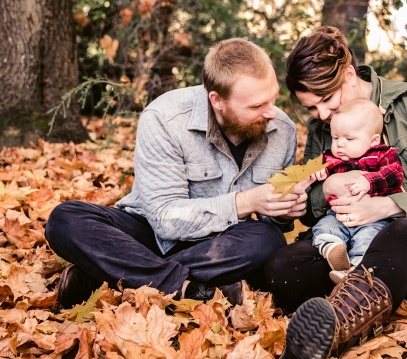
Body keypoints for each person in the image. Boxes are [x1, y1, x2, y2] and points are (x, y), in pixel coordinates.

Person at [267, 26, 407, 359]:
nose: (322, 115)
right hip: (353, 243)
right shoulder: (326, 124)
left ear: (350, 75)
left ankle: (331, 330)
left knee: (399, 234)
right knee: (282, 267)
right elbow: (310, 206)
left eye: (327, 101)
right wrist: (326, 188)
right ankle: (375, 291)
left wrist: (387, 205)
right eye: (312, 107)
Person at [46, 38, 308, 308]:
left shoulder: (283, 130)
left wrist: (282, 212)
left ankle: (111, 276)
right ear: (217, 101)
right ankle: (192, 291)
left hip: (218, 246)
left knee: (267, 240)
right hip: (148, 233)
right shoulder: (164, 117)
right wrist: (246, 201)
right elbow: (163, 219)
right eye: (256, 106)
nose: (272, 112)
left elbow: (271, 223)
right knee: (65, 219)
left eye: (273, 98)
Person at [308, 98, 403, 283]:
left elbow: (395, 174)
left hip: (374, 218)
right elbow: (314, 170)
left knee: (369, 240)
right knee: (324, 226)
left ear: (373, 140)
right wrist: (316, 171)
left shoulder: (382, 155)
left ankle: (357, 272)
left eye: (349, 139)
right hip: (338, 214)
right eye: (335, 138)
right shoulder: (330, 157)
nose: (340, 144)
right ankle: (332, 249)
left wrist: (369, 181)